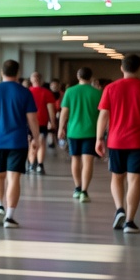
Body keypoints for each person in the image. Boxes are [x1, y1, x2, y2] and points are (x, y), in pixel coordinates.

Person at [96, 54, 140, 233]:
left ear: (122, 68)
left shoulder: (110, 88)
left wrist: (99, 138)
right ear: (139, 68)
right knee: (134, 180)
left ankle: (119, 209)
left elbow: (103, 115)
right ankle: (130, 222)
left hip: (116, 140)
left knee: (117, 177)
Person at [0, 60, 38, 229]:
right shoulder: (24, 92)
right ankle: (9, 217)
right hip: (18, 141)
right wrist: (37, 139)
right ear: (18, 73)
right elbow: (32, 118)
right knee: (14, 178)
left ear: (1, 72)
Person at [58, 67, 101, 202]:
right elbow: (102, 115)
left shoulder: (70, 91)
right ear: (91, 77)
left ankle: (77, 187)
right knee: (88, 161)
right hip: (91, 131)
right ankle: (84, 191)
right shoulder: (97, 93)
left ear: (78, 76)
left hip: (73, 131)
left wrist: (61, 128)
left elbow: (64, 112)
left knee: (75, 159)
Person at [27, 72, 56, 174]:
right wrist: (52, 122)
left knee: (31, 143)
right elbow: (51, 109)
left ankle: (31, 164)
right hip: (42, 121)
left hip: (28, 122)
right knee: (41, 142)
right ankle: (40, 165)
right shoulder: (47, 93)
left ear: (31, 80)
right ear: (41, 80)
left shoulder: (27, 92)